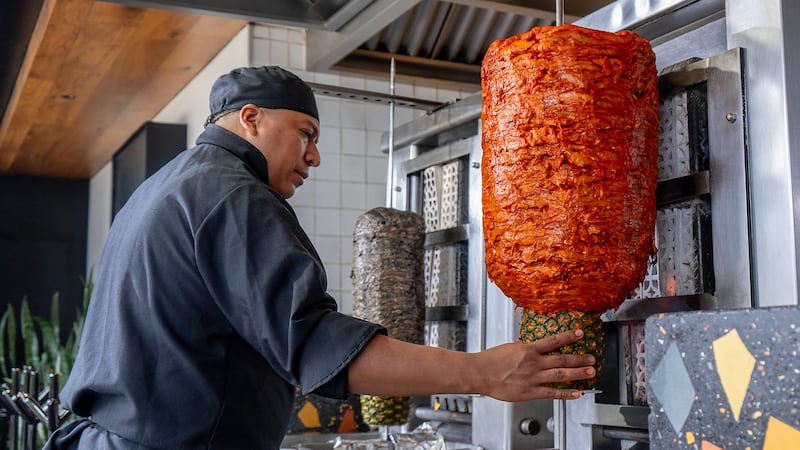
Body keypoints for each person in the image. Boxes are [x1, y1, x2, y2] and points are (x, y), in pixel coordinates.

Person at [44, 66, 596, 449]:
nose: (314, 156)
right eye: (304, 133)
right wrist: (481, 372)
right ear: (251, 119)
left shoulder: (164, 187)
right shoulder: (234, 194)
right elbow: (316, 346)